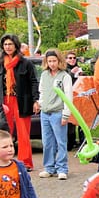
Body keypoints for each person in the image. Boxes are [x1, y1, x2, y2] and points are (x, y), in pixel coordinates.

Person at [0, 34, 39, 170]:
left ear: (16, 45)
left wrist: (35, 100)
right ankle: (5, 161)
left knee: (23, 133)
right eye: (5, 44)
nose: (8, 47)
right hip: (4, 101)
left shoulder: (26, 63)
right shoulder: (0, 63)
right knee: (5, 133)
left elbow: (33, 82)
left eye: (10, 44)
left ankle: (25, 163)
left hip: (21, 101)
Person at [37, 49, 73, 180]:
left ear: (59, 61)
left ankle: (62, 168)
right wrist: (40, 103)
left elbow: (68, 96)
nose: (52, 64)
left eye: (54, 61)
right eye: (49, 61)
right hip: (45, 113)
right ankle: (49, 167)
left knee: (61, 142)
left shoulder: (65, 76)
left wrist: (65, 114)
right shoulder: (44, 75)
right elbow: (41, 91)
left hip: (58, 112)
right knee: (47, 142)